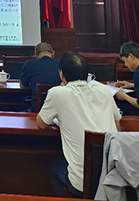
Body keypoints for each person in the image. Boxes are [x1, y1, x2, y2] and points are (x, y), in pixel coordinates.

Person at [37, 51, 121, 197]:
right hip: (112, 178)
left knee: (53, 167)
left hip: (81, 184)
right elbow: (116, 120)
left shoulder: (58, 93)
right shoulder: (104, 90)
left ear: (61, 74)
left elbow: (41, 123)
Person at [20, 42, 61, 111]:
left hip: (37, 110)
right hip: (57, 109)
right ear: (53, 54)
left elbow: (22, 86)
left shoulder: (29, 64)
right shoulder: (61, 64)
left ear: (36, 55)